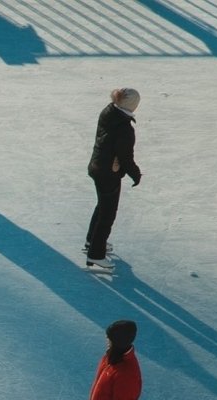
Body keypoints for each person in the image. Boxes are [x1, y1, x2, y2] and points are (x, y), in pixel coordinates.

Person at [84, 88, 142, 270]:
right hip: (108, 173)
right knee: (107, 215)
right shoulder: (125, 129)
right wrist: (136, 174)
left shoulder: (108, 112)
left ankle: (91, 242)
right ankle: (96, 254)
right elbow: (125, 158)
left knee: (102, 205)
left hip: (97, 166)